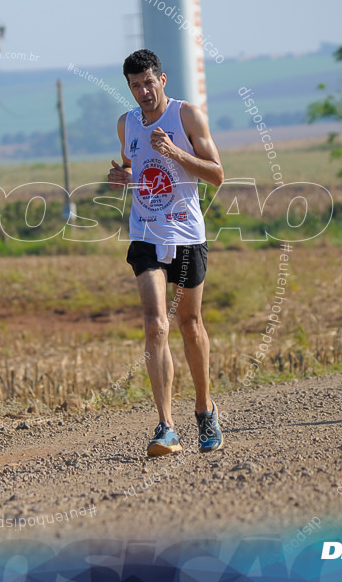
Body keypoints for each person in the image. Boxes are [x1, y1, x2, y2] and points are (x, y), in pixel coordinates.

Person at [107, 49, 225, 456]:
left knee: (190, 324)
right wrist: (122, 177)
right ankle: (166, 426)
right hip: (145, 233)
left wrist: (175, 152)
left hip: (187, 233)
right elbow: (132, 166)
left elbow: (217, 175)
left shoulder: (187, 117)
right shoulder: (127, 124)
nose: (143, 92)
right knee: (156, 324)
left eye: (148, 83)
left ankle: (205, 409)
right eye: (135, 86)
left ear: (163, 79)